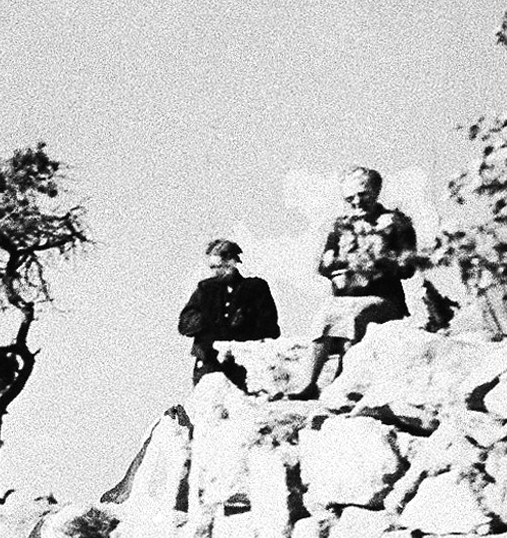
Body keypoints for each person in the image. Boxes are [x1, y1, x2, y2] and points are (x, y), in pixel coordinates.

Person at [294, 169, 451, 399]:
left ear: (376, 192)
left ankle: (345, 379)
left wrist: (377, 263)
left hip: (384, 299)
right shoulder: (341, 226)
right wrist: (339, 267)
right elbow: (324, 264)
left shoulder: (396, 223)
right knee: (325, 314)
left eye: (363, 194)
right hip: (345, 297)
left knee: (356, 316)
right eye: (350, 198)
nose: (357, 202)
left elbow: (407, 267)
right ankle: (309, 383)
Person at [175, 239, 279, 388]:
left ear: (231, 262)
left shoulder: (255, 289)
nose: (215, 272)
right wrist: (210, 319)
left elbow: (270, 328)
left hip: (244, 364)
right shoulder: (205, 290)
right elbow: (185, 324)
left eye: (219, 267)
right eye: (212, 267)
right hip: (209, 362)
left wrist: (245, 323)